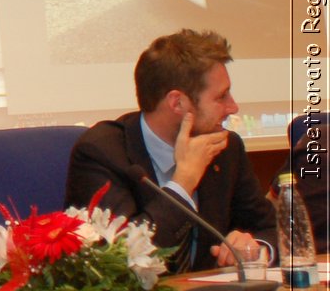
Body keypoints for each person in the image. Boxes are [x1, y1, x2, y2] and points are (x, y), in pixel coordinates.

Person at [65, 29, 275, 271]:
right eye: (221, 97)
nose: (233, 107)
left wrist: (256, 248)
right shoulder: (102, 152)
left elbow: (269, 228)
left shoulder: (226, 148)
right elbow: (118, 260)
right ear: (178, 103)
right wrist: (183, 184)